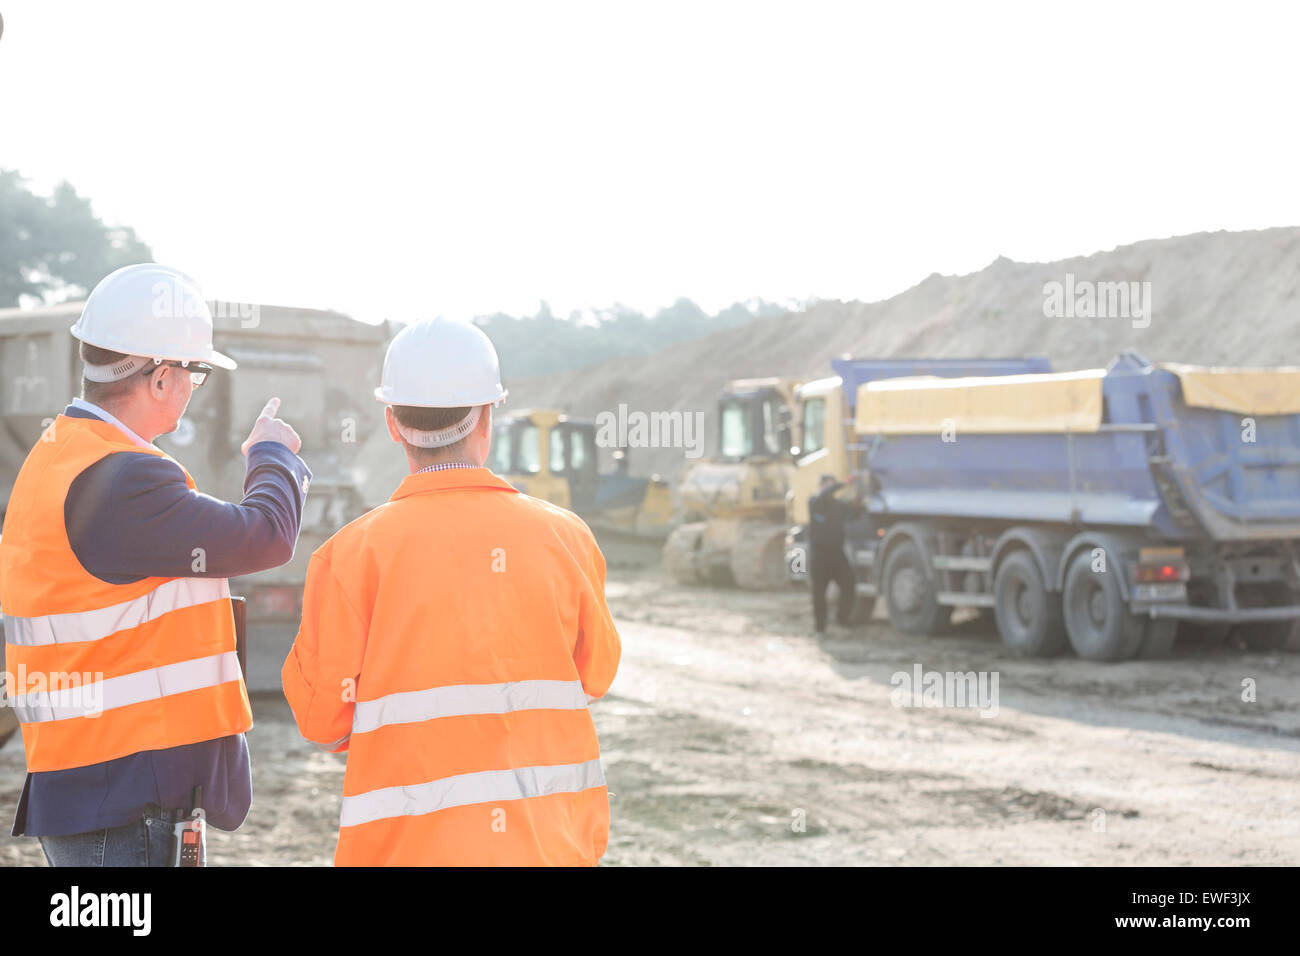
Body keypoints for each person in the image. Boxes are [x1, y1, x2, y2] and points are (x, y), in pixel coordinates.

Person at [0, 263, 310, 867]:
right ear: (163, 377)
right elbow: (265, 537)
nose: (196, 386)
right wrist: (272, 456)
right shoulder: (125, 478)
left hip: (90, 781)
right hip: (125, 793)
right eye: (196, 372)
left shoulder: (61, 453)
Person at [283, 317, 620, 866]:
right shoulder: (567, 537)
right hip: (547, 848)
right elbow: (598, 671)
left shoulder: (351, 554)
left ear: (392, 424)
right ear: (488, 416)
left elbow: (321, 718)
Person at [808, 473, 864, 636]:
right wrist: (843, 483)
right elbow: (825, 494)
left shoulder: (837, 505)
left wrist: (858, 502)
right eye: (828, 485)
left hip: (837, 555)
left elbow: (853, 514)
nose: (831, 489)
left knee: (849, 586)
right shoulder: (814, 501)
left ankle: (842, 617)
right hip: (819, 556)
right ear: (822, 486)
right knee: (819, 593)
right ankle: (820, 627)